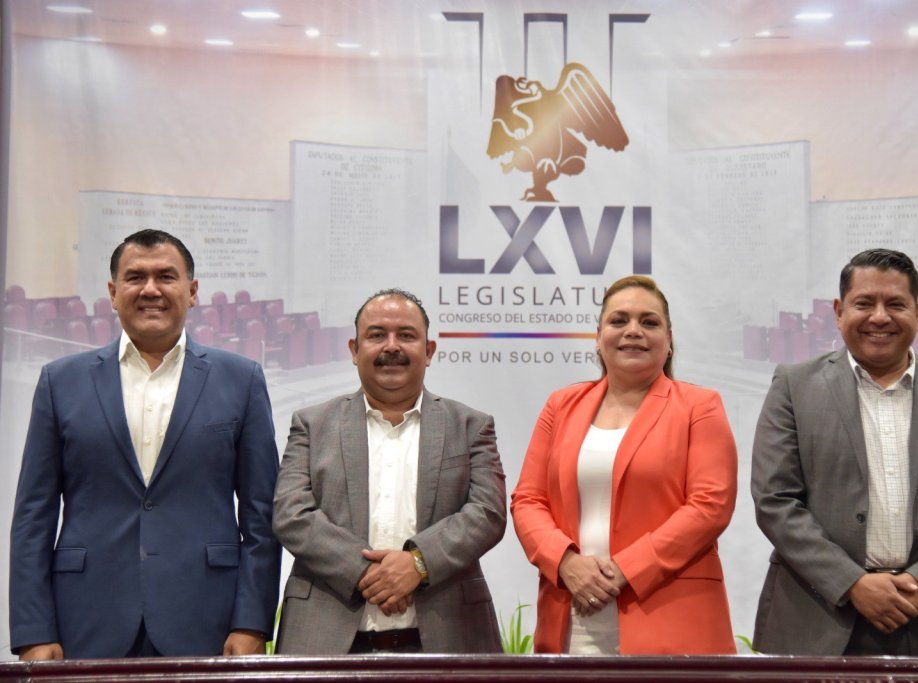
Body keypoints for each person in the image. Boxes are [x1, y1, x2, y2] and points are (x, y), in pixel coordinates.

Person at [9, 229, 281, 659]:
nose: (150, 289)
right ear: (113, 293)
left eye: (166, 276)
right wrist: (33, 631)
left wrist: (252, 622)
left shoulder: (241, 380)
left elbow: (261, 517)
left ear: (192, 291)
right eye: (135, 277)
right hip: (86, 618)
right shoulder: (60, 382)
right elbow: (32, 516)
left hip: (207, 618)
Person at [751, 248, 918, 657]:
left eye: (895, 304)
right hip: (816, 623)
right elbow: (775, 500)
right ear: (839, 311)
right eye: (864, 303)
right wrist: (852, 583)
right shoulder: (793, 387)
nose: (879, 317)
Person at [511, 275, 738, 654]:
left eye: (649, 322)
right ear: (598, 337)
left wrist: (626, 570)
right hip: (572, 620)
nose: (634, 330)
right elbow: (528, 501)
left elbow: (710, 505)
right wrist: (565, 562)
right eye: (619, 321)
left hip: (673, 618)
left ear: (669, 340)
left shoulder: (700, 406)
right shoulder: (560, 406)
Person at [272, 288, 506, 654]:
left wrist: (418, 564)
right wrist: (367, 573)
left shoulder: (470, 426)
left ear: (429, 351)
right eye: (377, 335)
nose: (391, 346)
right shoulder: (312, 425)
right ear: (354, 350)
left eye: (407, 335)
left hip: (447, 638)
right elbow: (291, 514)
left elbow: (487, 513)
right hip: (324, 638)